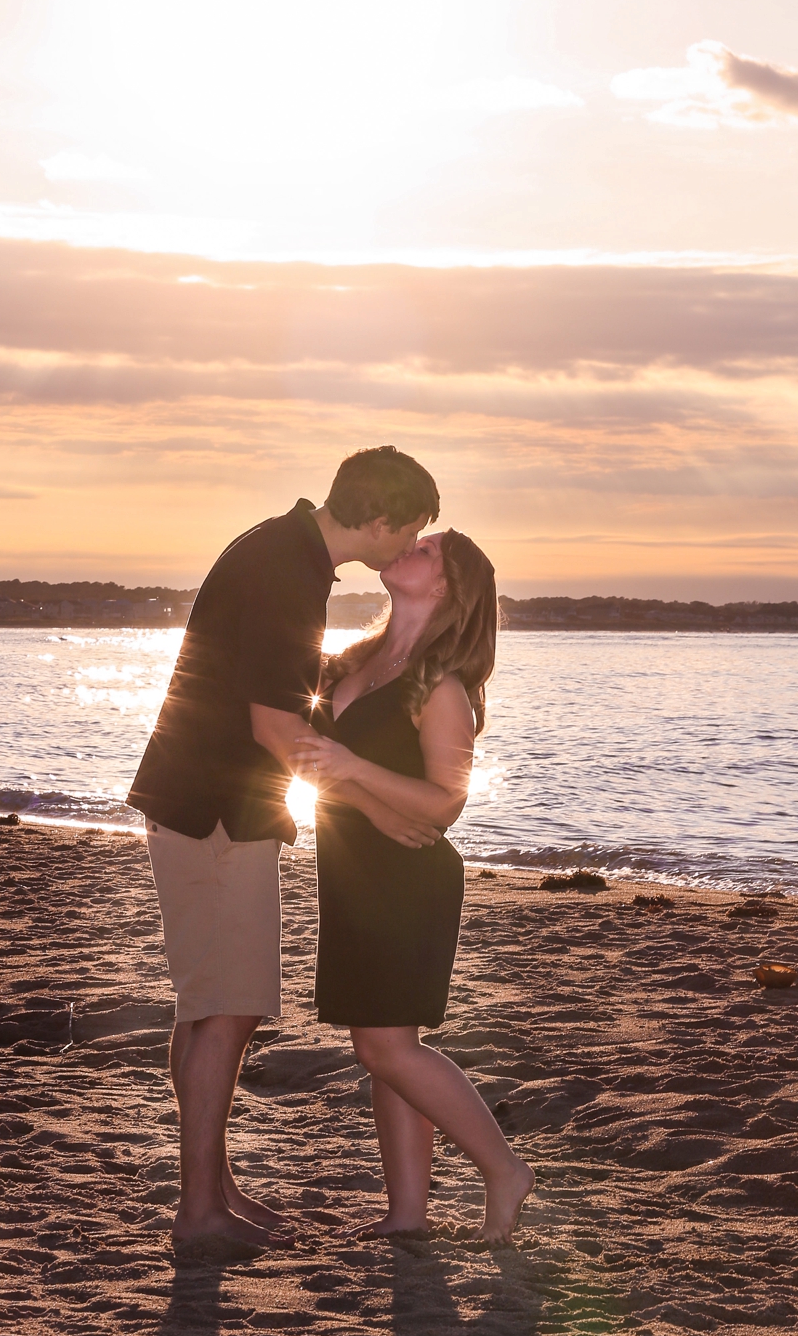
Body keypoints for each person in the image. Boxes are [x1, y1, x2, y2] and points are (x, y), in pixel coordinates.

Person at [127, 447, 441, 1246]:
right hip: (218, 814)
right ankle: (199, 1211)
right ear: (376, 519)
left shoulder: (278, 548)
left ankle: (215, 1189)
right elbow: (276, 728)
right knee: (228, 1009)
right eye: (408, 528)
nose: (408, 545)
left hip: (196, 804)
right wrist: (374, 805)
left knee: (204, 1006)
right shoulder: (287, 571)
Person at [292, 529, 534, 1244]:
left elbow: (443, 804)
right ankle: (407, 1214)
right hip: (351, 868)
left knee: (386, 1048)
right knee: (386, 1045)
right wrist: (342, 778)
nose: (407, 547)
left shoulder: (442, 687)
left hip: (405, 878)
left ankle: (503, 1170)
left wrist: (351, 770)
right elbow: (308, 761)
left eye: (428, 551)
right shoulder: (352, 663)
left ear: (448, 590)